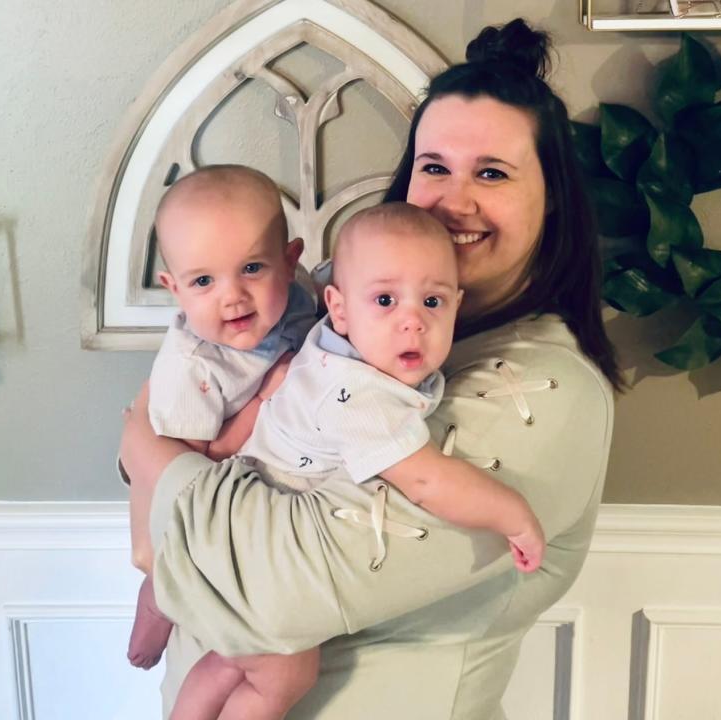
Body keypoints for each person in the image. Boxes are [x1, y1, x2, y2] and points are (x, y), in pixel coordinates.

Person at [120, 17, 622, 719]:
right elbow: (198, 375)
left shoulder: (545, 394)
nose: (456, 201)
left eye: (493, 173)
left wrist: (151, 457)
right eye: (435, 167)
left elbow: (277, 587)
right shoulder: (345, 298)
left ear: (555, 198)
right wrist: (159, 467)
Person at [170, 202, 546, 720]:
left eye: (433, 301)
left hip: (234, 508)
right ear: (340, 309)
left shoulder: (339, 344)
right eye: (386, 300)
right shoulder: (359, 394)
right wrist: (513, 515)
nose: (412, 321)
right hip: (252, 540)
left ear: (457, 306)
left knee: (230, 662)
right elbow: (426, 480)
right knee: (285, 672)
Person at [126, 165, 314, 676]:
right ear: (174, 288)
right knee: (170, 571)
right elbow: (187, 465)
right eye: (204, 280)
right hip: (189, 500)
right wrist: (263, 402)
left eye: (252, 268)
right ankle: (152, 612)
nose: (232, 296)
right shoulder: (193, 367)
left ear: (291, 261)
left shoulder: (303, 304)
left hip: (268, 487)